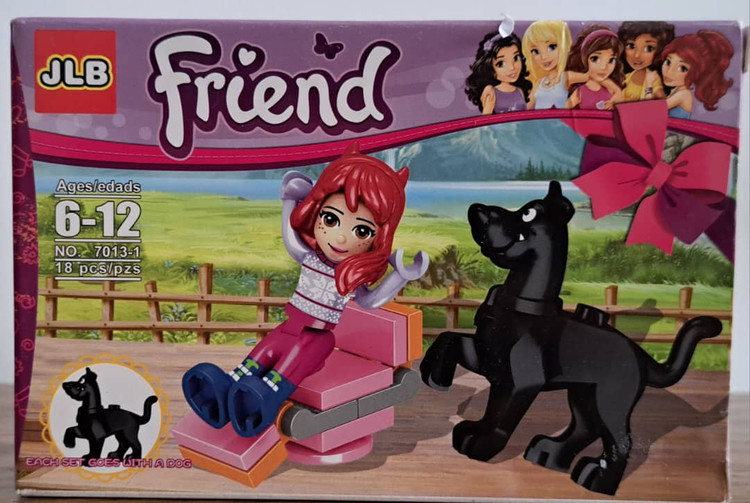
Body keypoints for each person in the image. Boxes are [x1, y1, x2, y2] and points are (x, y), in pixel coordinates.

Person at [182, 142, 429, 437]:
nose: (340, 237)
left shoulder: (348, 276)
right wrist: (289, 199)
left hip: (317, 338)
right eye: (331, 219)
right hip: (288, 327)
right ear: (316, 211)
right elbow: (290, 238)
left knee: (281, 371)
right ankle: (226, 391)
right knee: (257, 359)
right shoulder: (311, 257)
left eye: (361, 231)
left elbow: (370, 301)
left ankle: (266, 400)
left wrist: (401, 275)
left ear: (379, 238)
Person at [660, 30, 734, 120]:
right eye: (668, 62)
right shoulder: (676, 90)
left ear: (697, 73)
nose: (669, 72)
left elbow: (654, 109)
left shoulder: (684, 94)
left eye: (682, 68)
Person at [466, 31, 533, 114]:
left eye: (516, 58)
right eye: (501, 64)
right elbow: (486, 119)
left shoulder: (519, 91)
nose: (512, 67)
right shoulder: (491, 92)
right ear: (490, 67)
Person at [565, 25, 625, 110]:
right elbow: (563, 110)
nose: (604, 67)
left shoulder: (612, 90)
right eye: (595, 58)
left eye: (611, 60)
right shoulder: (580, 91)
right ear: (584, 59)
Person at [617, 21, 674, 102]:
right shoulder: (626, 77)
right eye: (631, 46)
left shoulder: (653, 77)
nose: (637, 55)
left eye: (649, 48)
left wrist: (649, 87)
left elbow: (663, 104)